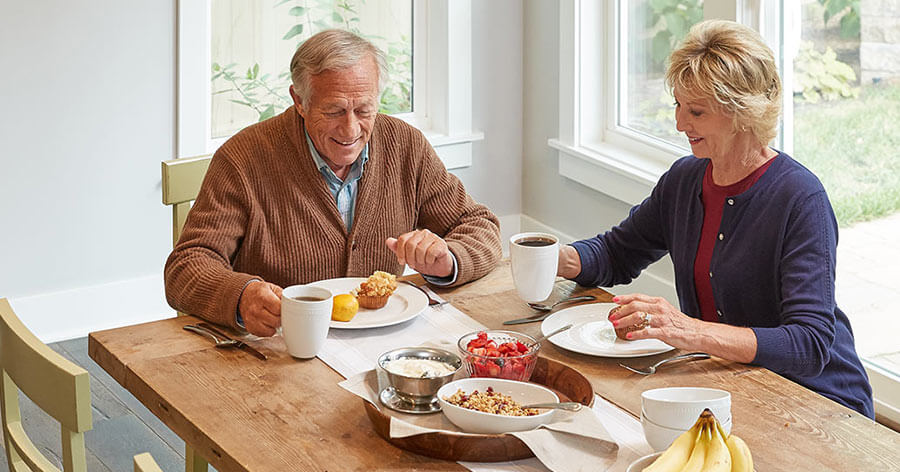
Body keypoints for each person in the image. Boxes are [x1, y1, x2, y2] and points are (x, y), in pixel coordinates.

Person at [557, 20, 874, 418]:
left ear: (741, 112)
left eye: (696, 111)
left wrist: (688, 331)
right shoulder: (684, 179)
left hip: (817, 401)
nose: (678, 123)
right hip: (730, 384)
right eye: (677, 105)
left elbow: (809, 345)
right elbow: (618, 252)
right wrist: (559, 258)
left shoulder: (800, 198)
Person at [165, 29, 501, 337]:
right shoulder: (243, 159)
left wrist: (448, 259)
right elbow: (187, 267)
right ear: (300, 101)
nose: (351, 129)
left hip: (382, 343)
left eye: (364, 110)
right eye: (334, 111)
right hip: (280, 352)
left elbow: (479, 225)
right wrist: (240, 296)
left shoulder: (405, 145)